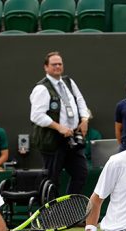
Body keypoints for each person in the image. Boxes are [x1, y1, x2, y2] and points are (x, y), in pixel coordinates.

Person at [30, 51, 91, 195]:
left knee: (81, 173)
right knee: (52, 180)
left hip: (72, 138)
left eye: (60, 64)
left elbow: (80, 101)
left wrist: (84, 119)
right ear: (46, 67)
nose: (57, 67)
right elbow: (36, 116)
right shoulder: (42, 88)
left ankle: (69, 206)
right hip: (52, 140)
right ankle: (51, 208)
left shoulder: (68, 82)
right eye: (54, 64)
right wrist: (58, 127)